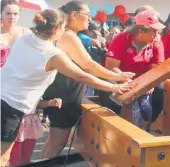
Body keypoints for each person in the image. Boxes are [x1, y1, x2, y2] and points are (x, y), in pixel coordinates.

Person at [1, 9, 133, 166]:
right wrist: (113, 87)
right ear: (57, 30)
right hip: (11, 105)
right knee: (3, 156)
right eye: (64, 28)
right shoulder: (52, 54)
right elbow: (82, 75)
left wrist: (116, 78)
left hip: (3, 95)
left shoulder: (24, 38)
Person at [41, 1, 134, 159]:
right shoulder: (69, 36)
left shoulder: (69, 35)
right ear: (73, 15)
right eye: (87, 15)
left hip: (65, 94)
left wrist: (115, 77)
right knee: (57, 142)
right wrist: (116, 78)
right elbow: (88, 64)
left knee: (54, 141)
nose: (89, 20)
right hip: (64, 95)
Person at [106, 9, 165, 129]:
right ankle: (116, 126)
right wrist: (125, 80)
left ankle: (146, 126)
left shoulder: (157, 42)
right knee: (114, 96)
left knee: (160, 91)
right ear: (140, 31)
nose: (157, 34)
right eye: (154, 31)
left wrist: (149, 83)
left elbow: (157, 69)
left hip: (145, 80)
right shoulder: (121, 39)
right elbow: (111, 66)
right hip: (122, 78)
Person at [9, 98, 62, 166]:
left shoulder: (34, 89)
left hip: (31, 122)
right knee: (15, 158)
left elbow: (37, 102)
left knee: (26, 157)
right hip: (15, 120)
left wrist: (50, 103)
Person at [0, 0, 32, 67]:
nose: (12, 17)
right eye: (8, 13)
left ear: (19, 15)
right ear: (1, 13)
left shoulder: (26, 33)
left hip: (20, 74)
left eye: (15, 14)